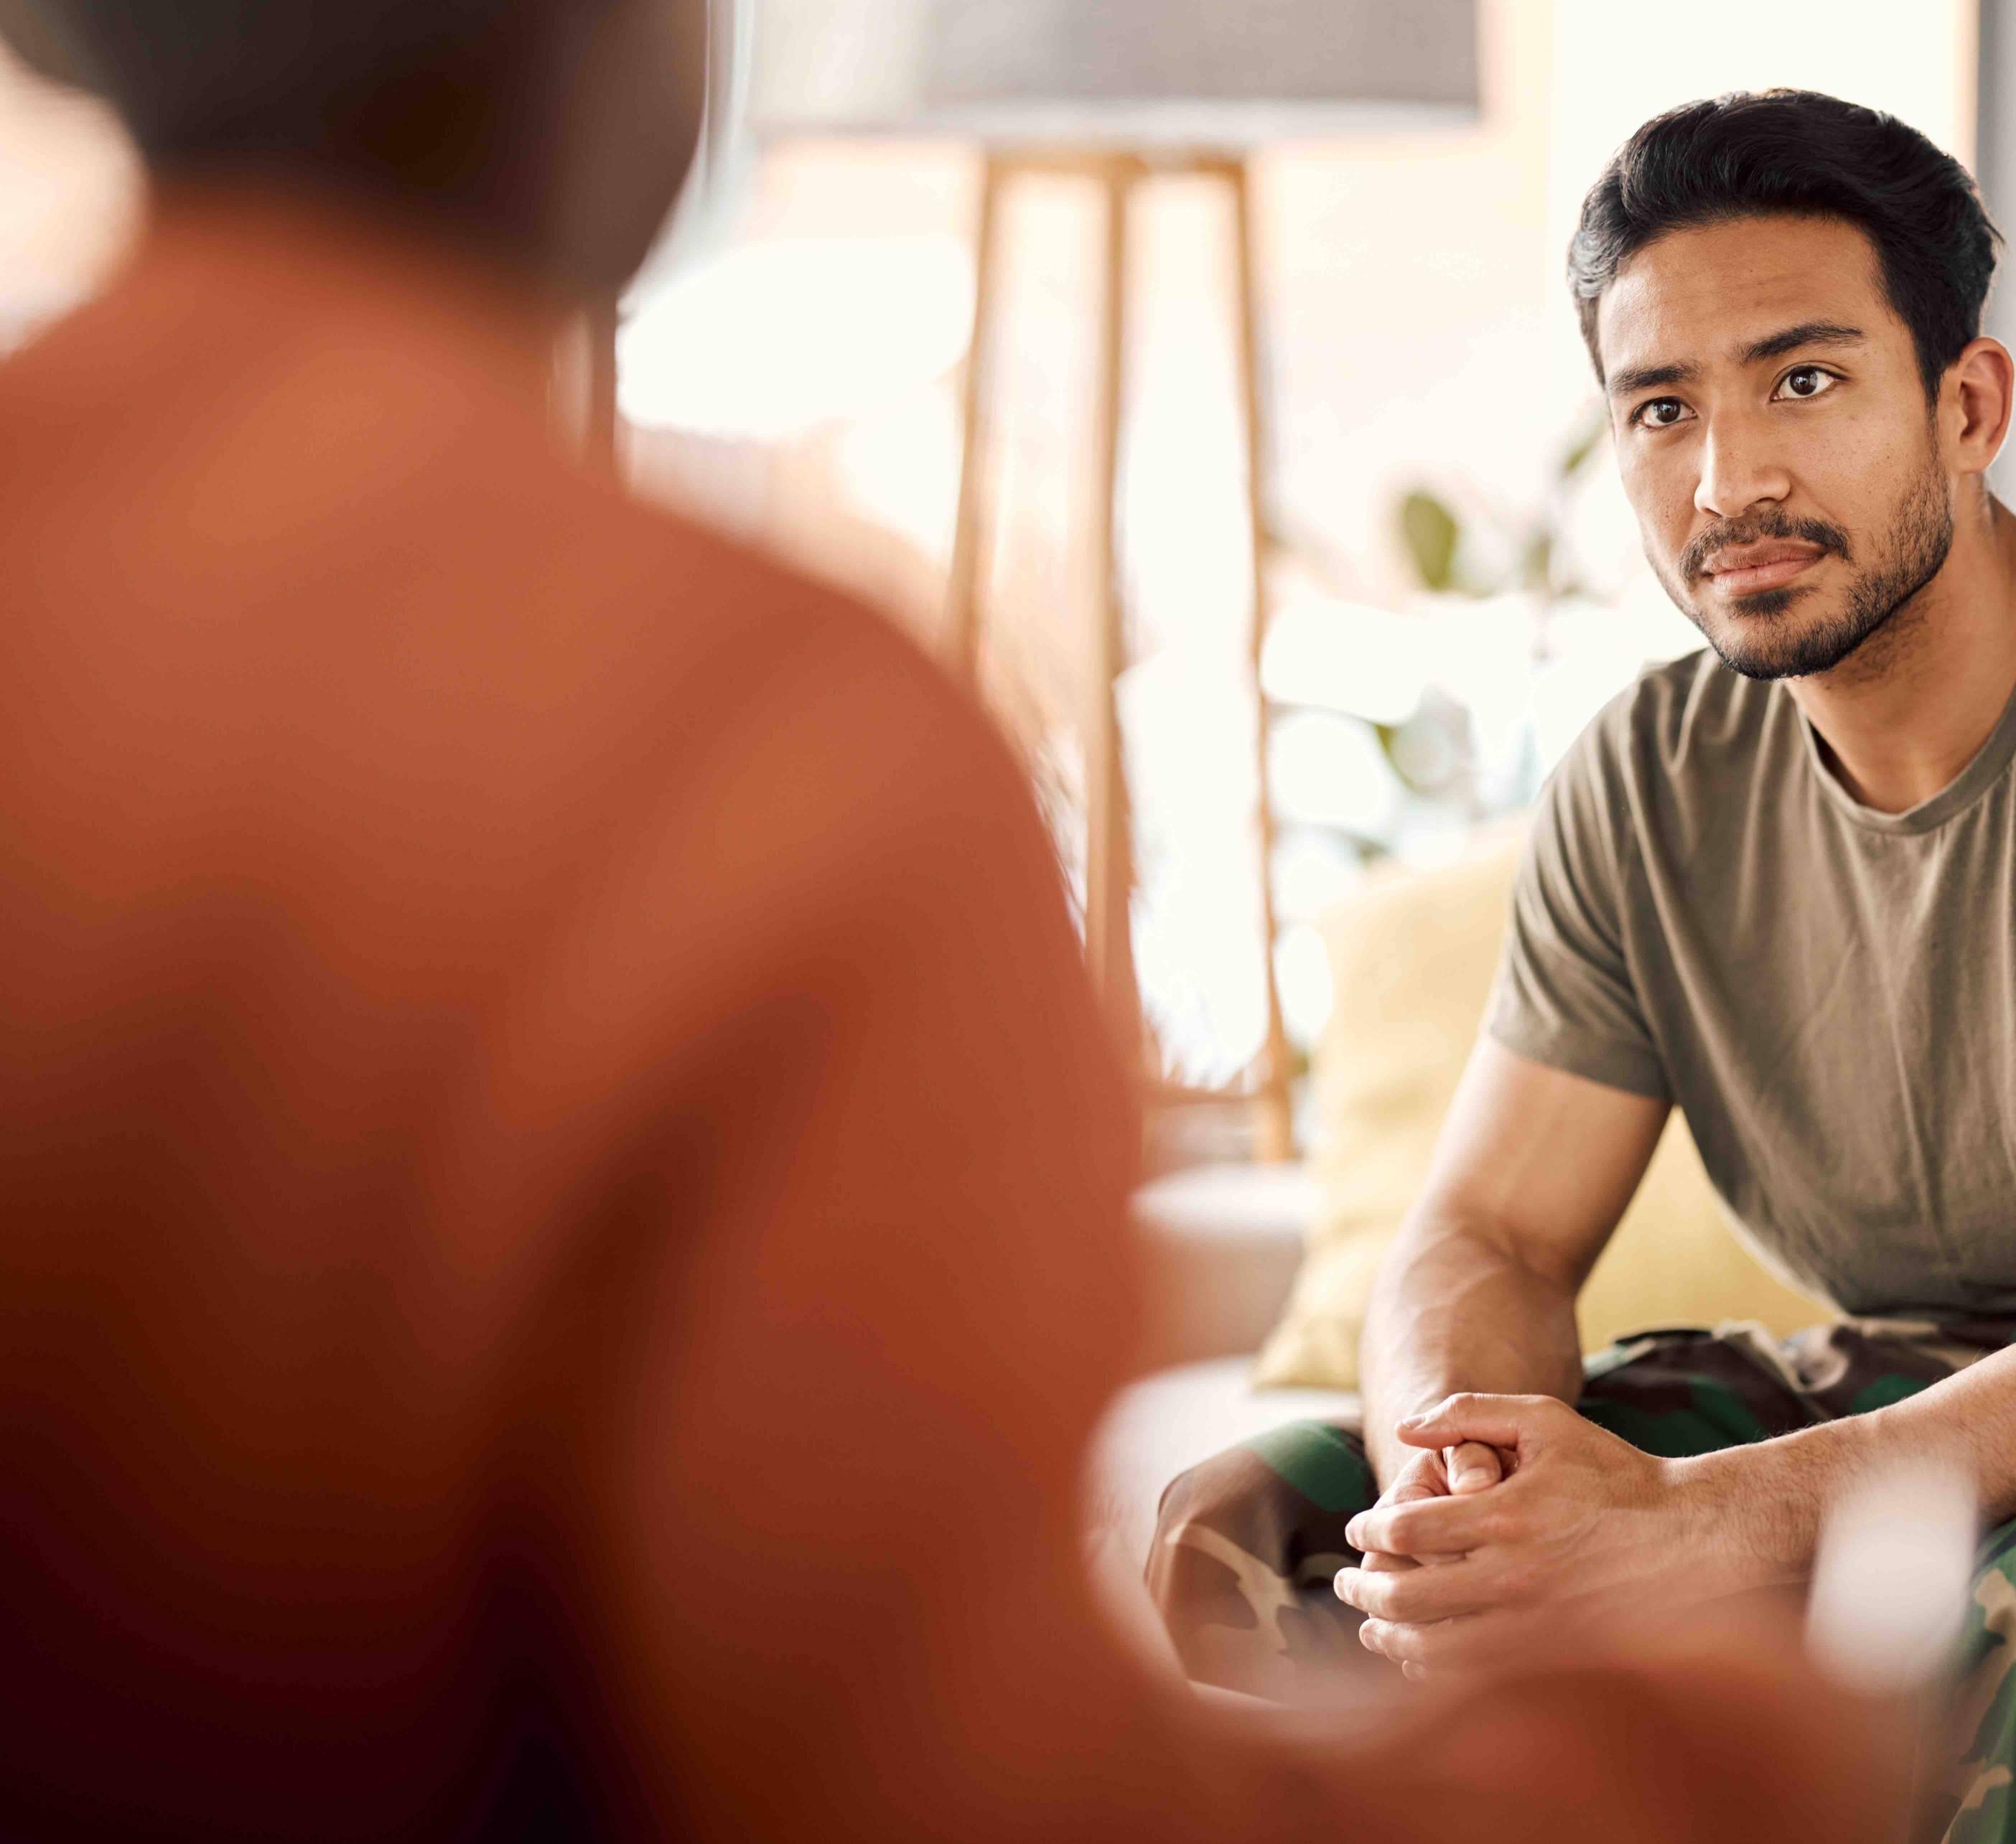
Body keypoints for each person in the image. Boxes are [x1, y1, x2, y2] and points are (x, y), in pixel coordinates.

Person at [0, 14, 1909, 1838]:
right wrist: (1694, 1755)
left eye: (1798, 380)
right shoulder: (747, 758)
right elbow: (951, 1798)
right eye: (1665, 400)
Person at [1152, 88, 2016, 1843]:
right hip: (1906, 1377)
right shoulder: (1649, 773)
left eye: (1805, 382)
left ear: (1966, 404)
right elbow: (1491, 1236)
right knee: (1253, 1521)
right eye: (1662, 408)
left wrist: (1699, 1521)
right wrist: (1464, 1499)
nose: (1727, 478)